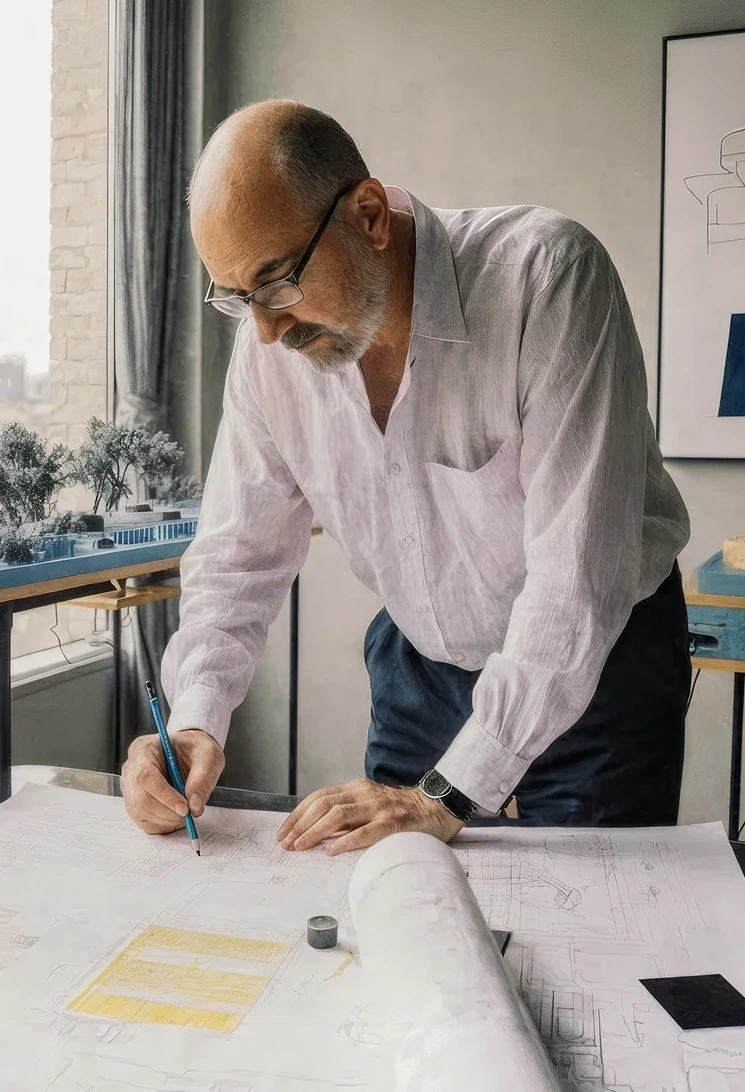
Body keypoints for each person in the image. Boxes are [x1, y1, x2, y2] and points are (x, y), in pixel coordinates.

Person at [121, 99, 691, 854]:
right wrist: (195, 719)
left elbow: (575, 581)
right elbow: (237, 555)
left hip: (599, 671)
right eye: (237, 298)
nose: (265, 330)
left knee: (593, 910)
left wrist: (448, 793)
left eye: (277, 282)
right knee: (400, 895)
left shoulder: (547, 279)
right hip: (419, 669)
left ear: (369, 216)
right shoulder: (268, 350)